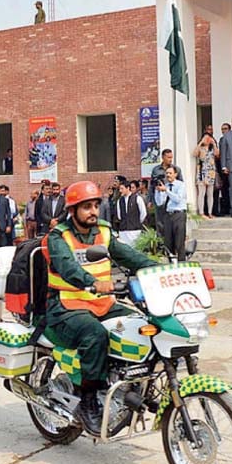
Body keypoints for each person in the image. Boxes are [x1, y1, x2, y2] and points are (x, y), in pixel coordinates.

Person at [43, 181, 157, 433]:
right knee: (94, 335)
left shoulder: (104, 231)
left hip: (101, 303)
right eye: (86, 207)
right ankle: (89, 400)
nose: (93, 211)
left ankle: (130, 385)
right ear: (72, 210)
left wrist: (157, 268)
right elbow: (66, 267)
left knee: (142, 326)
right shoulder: (58, 236)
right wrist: (92, 282)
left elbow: (127, 254)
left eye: (95, 205)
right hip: (66, 305)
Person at [155, 167, 188, 260]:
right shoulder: (165, 185)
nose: (168, 175)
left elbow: (178, 199)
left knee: (179, 242)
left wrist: (166, 190)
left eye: (170, 173)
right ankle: (171, 263)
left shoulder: (180, 185)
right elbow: (159, 202)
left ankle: (181, 263)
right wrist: (158, 191)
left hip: (179, 214)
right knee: (168, 242)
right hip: (168, 215)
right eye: (167, 173)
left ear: (175, 174)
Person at [193, 133, 219, 218]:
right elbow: (194, 154)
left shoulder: (212, 149)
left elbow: (217, 154)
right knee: (201, 193)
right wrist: (201, 143)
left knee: (210, 193)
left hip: (211, 172)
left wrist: (214, 143)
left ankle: (210, 212)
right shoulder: (200, 148)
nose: (207, 140)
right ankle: (201, 212)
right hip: (202, 172)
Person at [114, 179, 146, 245]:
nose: (120, 191)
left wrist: (136, 222)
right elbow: (119, 216)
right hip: (123, 231)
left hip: (135, 231)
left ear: (128, 188)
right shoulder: (119, 201)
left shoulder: (137, 198)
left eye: (122, 189)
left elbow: (143, 213)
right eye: (120, 189)